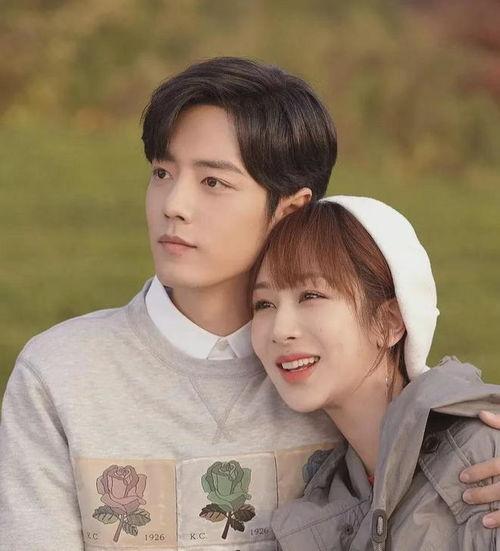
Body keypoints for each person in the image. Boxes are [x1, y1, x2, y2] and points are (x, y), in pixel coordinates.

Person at [0, 58, 499, 551]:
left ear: (291, 209)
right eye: (162, 173)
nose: (173, 205)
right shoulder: (61, 374)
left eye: (213, 182)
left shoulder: (329, 373)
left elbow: (424, 421)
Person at [250, 195, 500, 550]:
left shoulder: (482, 460)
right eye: (264, 304)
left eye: (311, 296)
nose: (280, 330)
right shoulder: (320, 513)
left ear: (390, 322)